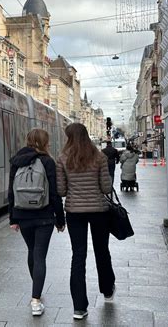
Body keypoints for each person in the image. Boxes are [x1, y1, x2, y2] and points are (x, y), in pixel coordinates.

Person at [56, 123, 115, 320]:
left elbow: (62, 191)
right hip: (98, 211)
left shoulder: (63, 159)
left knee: (78, 256)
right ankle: (107, 289)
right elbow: (106, 188)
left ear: (69, 137)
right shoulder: (99, 157)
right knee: (101, 250)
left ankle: (79, 307)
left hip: (75, 212)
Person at [8, 128, 65, 317]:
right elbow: (55, 194)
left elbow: (11, 192)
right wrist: (60, 219)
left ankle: (36, 291)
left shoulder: (16, 161)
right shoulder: (48, 161)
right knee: (40, 255)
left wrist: (12, 219)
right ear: (45, 141)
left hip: (23, 215)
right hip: (44, 216)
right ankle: (36, 299)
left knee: (32, 252)